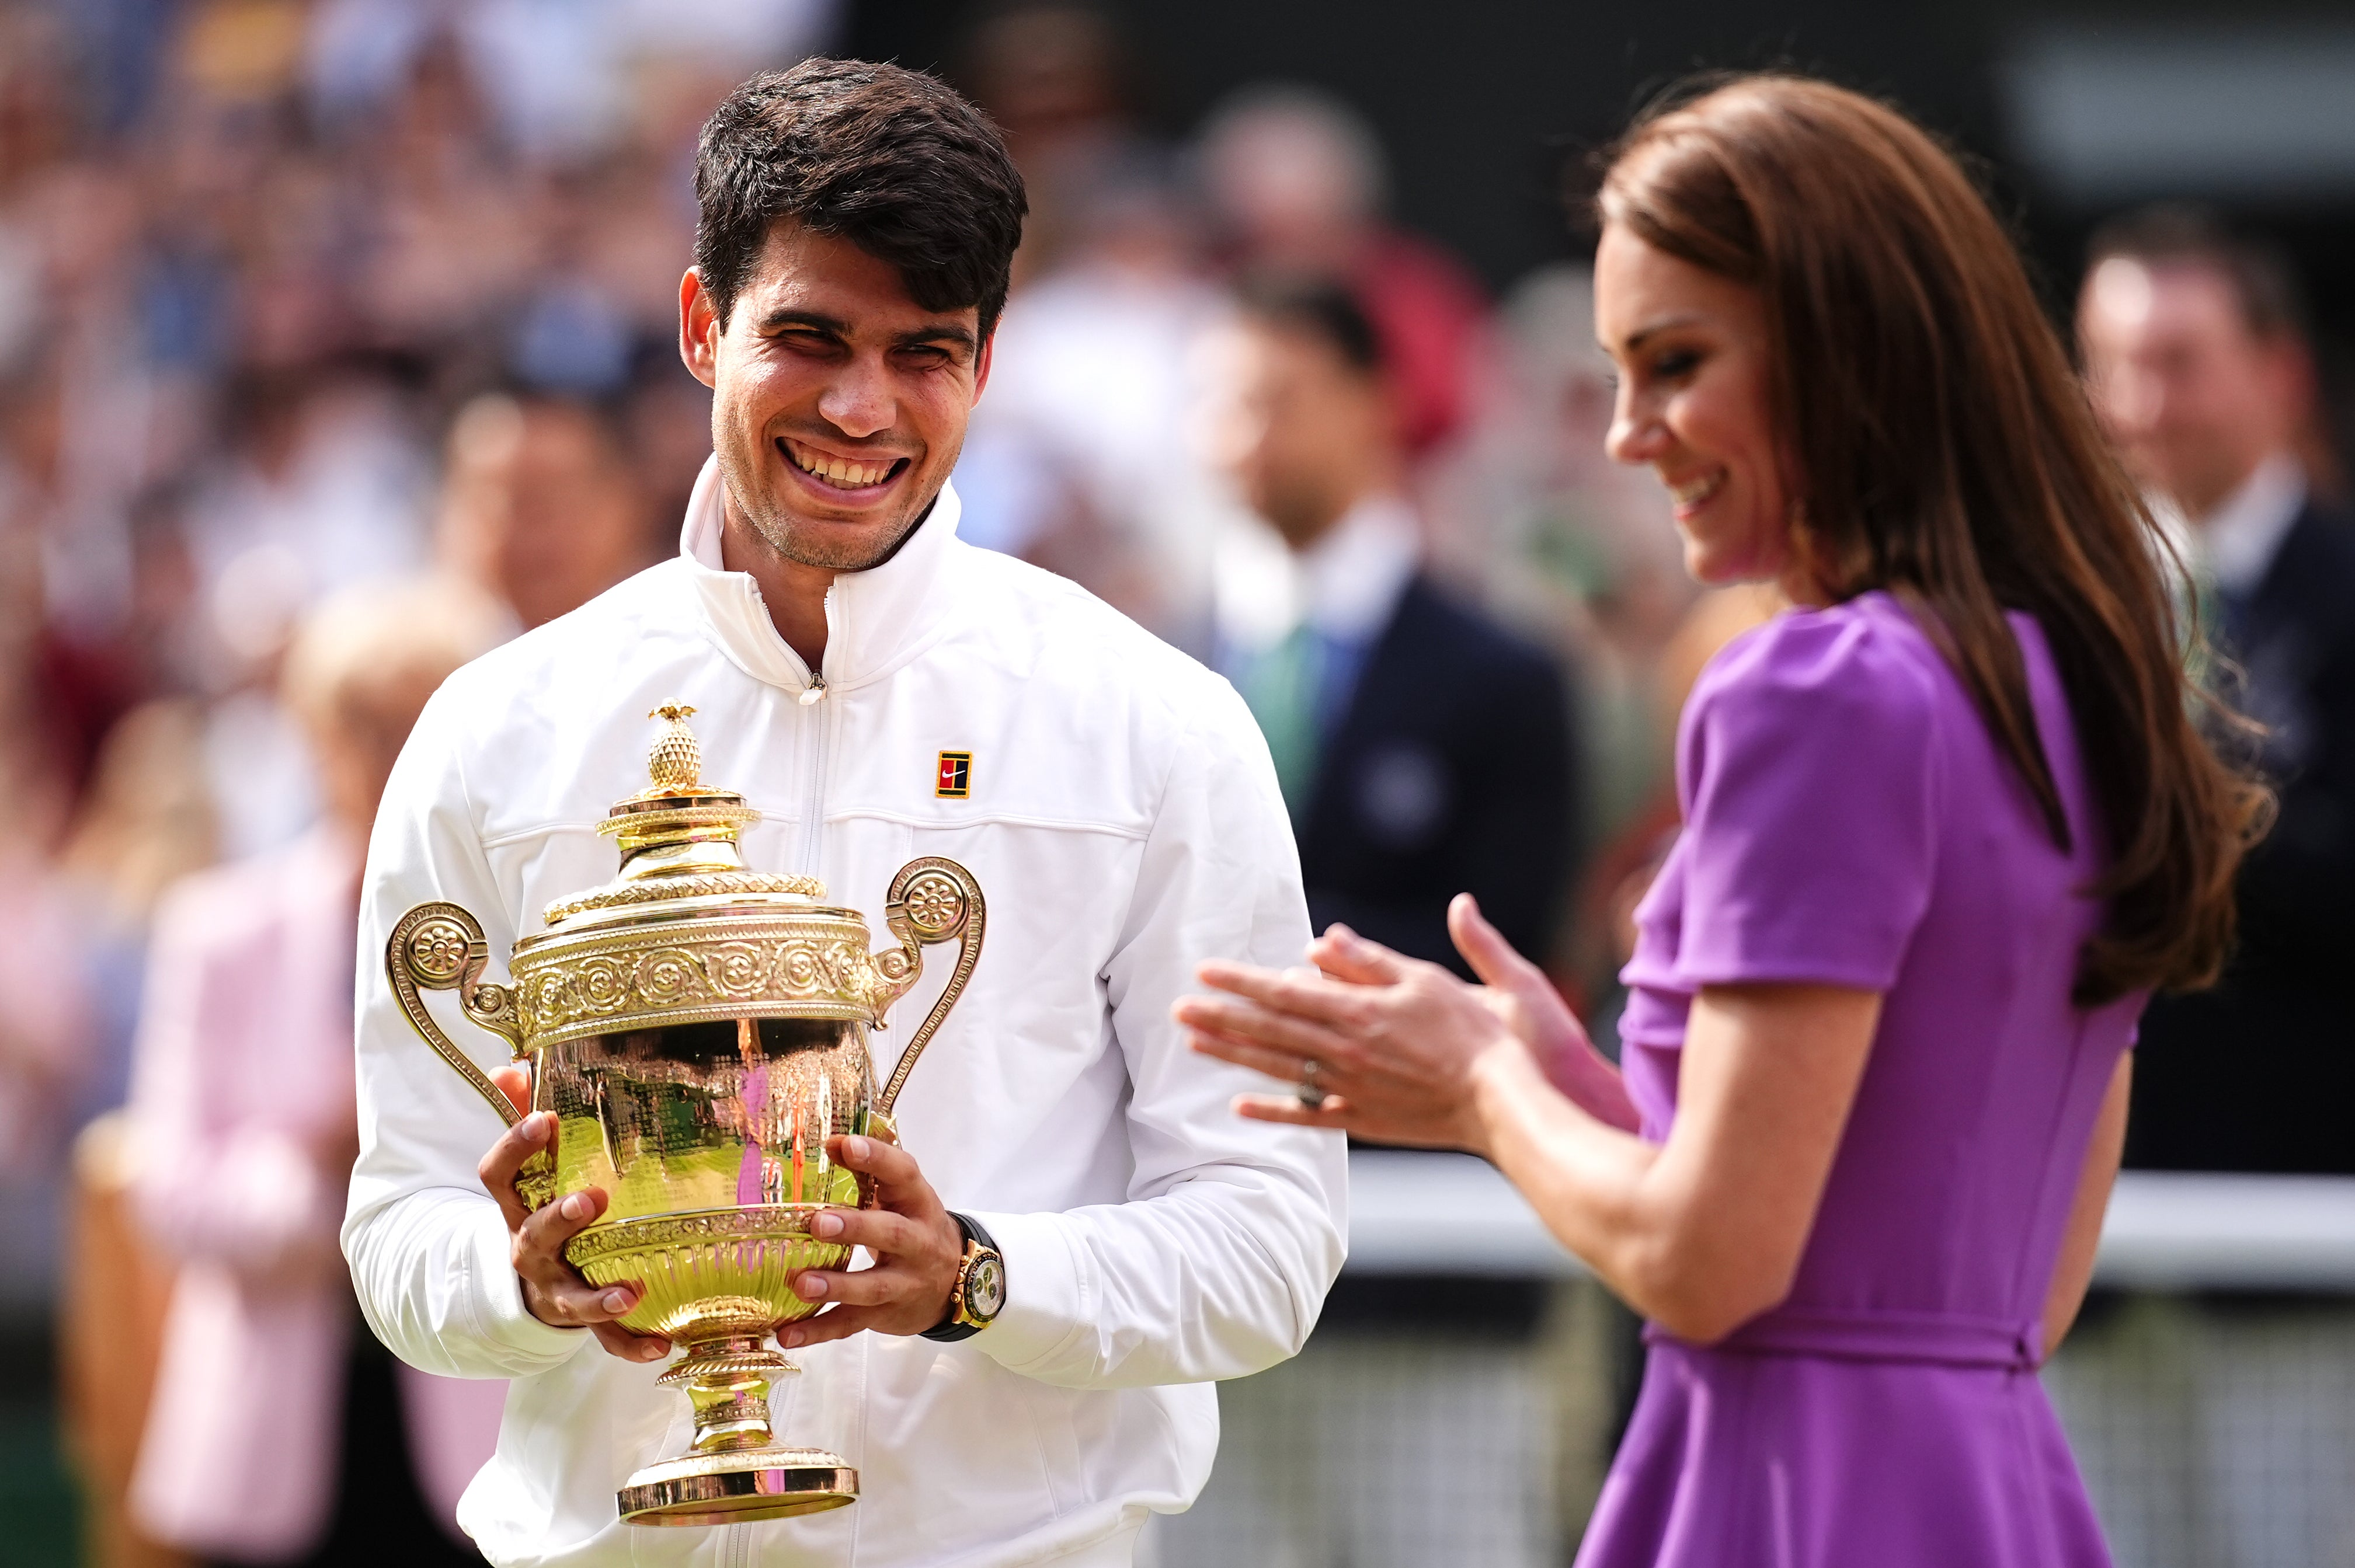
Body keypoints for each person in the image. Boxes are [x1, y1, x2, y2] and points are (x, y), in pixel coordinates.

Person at [1177, 75, 2262, 1568]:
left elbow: (1708, 1260)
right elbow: (1974, 1267)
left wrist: (1492, 1093)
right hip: (1995, 1490)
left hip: (1782, 1494)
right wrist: (1564, 1079)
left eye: (1674, 362)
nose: (1629, 434)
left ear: (1844, 351)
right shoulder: (2080, 679)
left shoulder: (1813, 689)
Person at [345, 58, 1344, 1568]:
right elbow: (399, 1228)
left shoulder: (1157, 724)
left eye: (922, 351)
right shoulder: (497, 730)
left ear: (986, 363)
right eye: (808, 338)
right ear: (702, 326)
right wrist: (522, 1277)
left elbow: (1268, 1242)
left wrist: (976, 1275)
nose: (861, 406)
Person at [126, 579, 509, 1566]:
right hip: (271, 1451)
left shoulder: (531, 936)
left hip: (480, 1438)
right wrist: (321, 1165)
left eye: (423, 724)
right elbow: (164, 1189)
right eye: (363, 725)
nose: (392, 757)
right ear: (312, 735)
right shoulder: (219, 931)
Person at [2077, 206, 2355, 1176]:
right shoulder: (2060, 615)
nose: (2138, 405)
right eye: (2110, 366)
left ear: (2279, 374)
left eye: (2175, 363)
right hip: (2087, 1225)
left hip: (2301, 1221)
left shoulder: (2339, 596)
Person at [1208, 275, 1575, 978]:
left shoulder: (1501, 679)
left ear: (1378, 404)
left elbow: (1502, 950)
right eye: (1226, 403)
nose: (1247, 437)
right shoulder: (1148, 649)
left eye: (1280, 401)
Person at [434, 389, 663, 632]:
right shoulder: (416, 659)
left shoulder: (681, 643)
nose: (533, 534)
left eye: (557, 499)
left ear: (628, 504)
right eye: (508, 503)